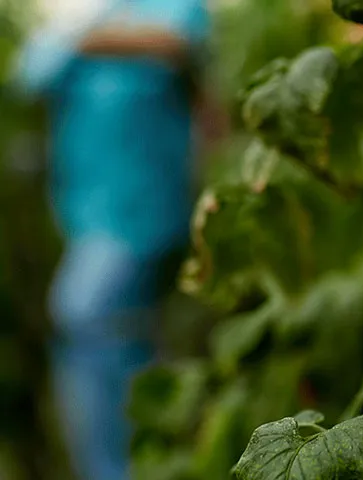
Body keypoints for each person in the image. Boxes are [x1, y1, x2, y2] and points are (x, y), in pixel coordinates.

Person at [14, 1, 214, 478]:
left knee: (82, 310)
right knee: (120, 340)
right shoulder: (95, 12)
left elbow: (177, 46)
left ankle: (118, 469)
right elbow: (30, 74)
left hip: (145, 206)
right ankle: (137, 463)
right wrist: (104, 34)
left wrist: (80, 37)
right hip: (86, 211)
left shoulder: (175, 7)